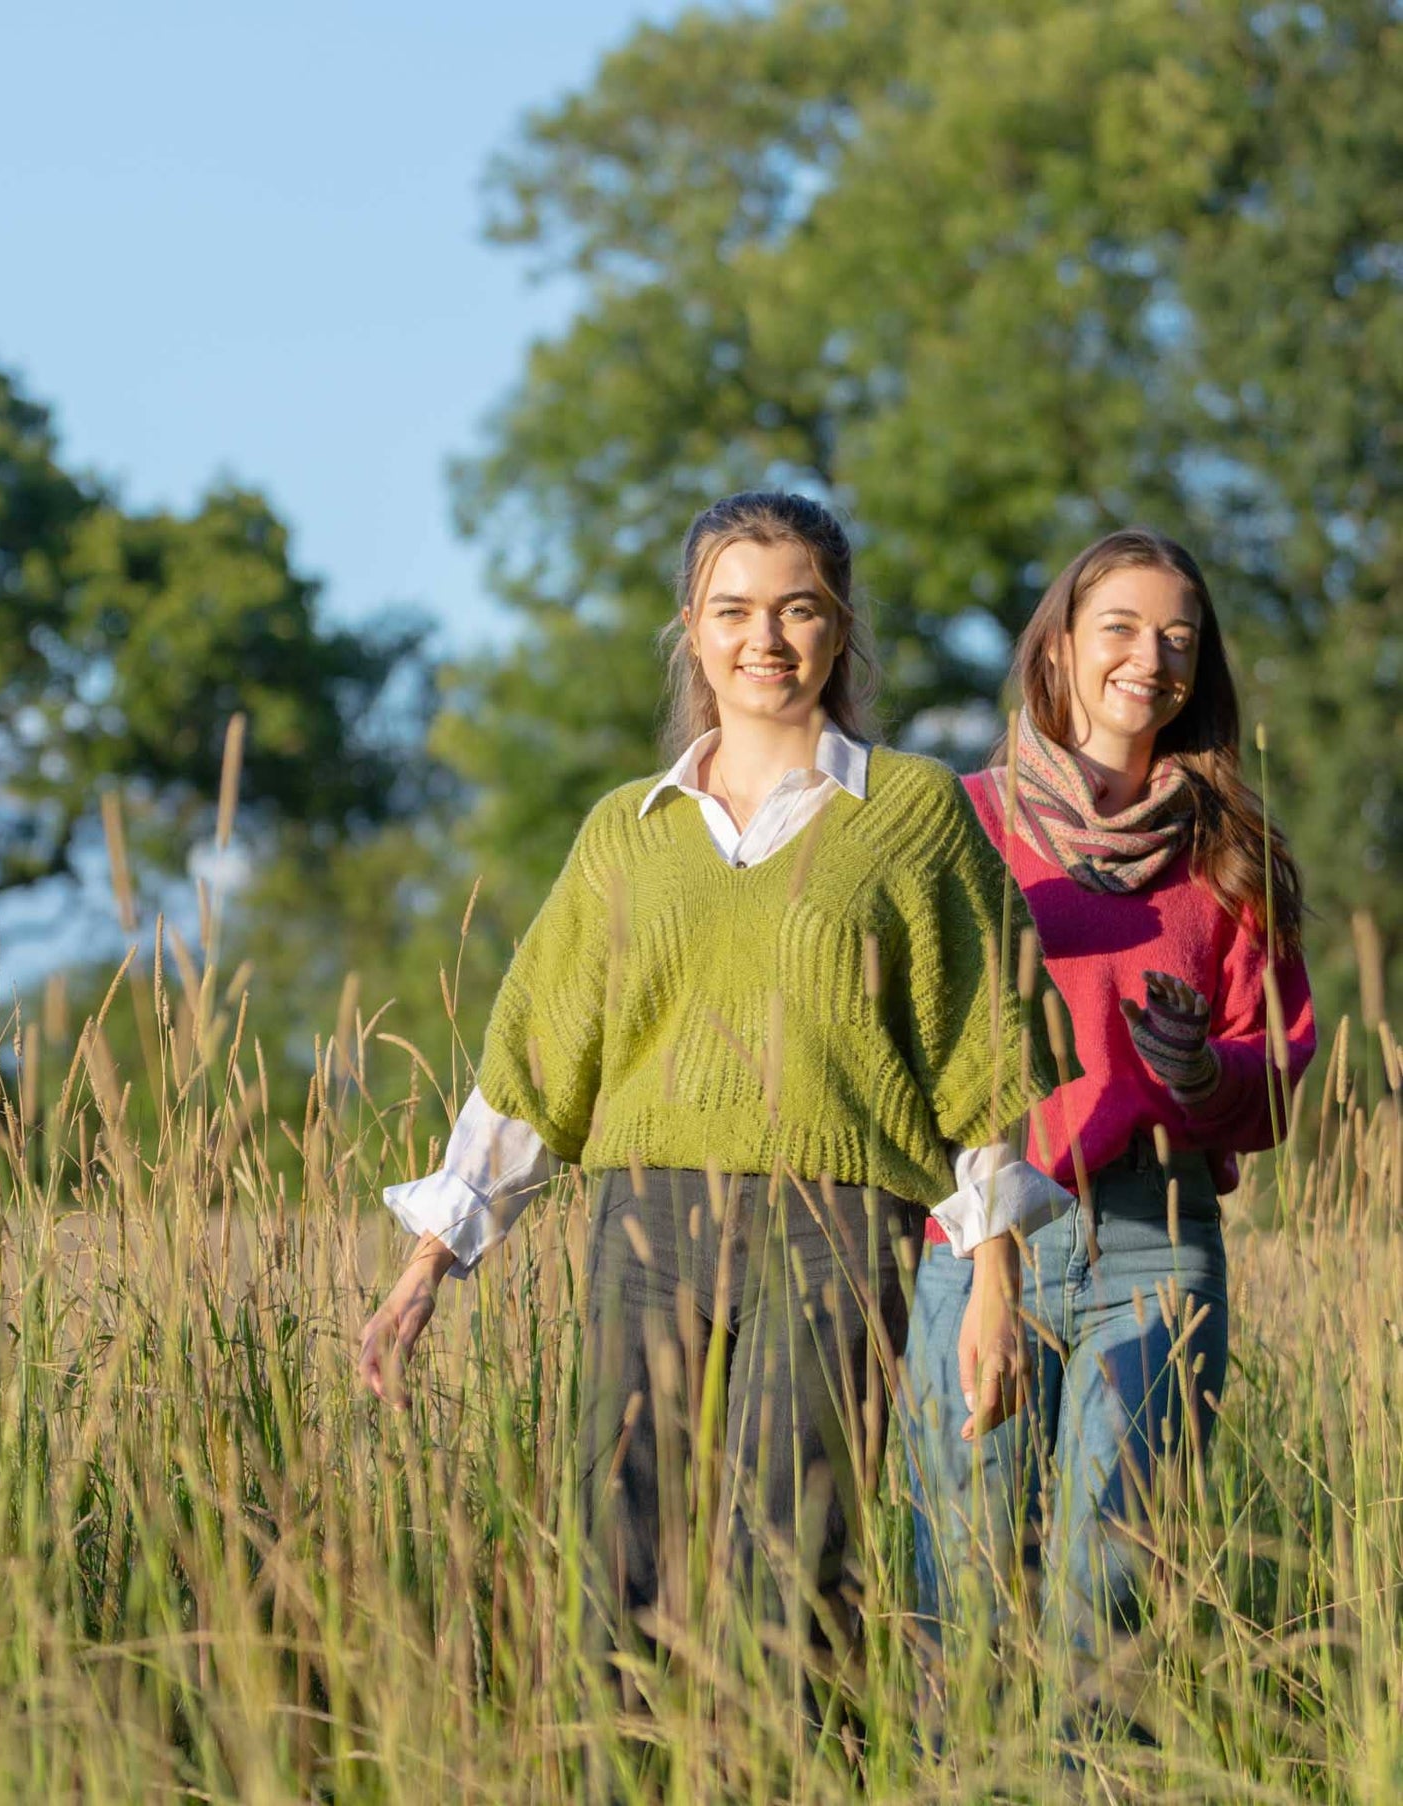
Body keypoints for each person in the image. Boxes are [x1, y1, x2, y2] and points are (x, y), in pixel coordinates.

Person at [358, 491, 1066, 1710]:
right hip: (644, 1225)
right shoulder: (624, 834)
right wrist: (429, 1261)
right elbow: (536, 1067)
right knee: (619, 1562)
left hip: (836, 1227)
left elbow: (981, 1056)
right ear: (691, 630)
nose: (765, 638)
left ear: (839, 629)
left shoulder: (906, 814)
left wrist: (994, 1283)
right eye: (732, 609)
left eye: (798, 608)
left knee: (792, 1574)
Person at [901, 527, 1315, 1676]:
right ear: (1059, 650)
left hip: (1156, 1243)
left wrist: (1196, 1073)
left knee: (1110, 1596)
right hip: (975, 1242)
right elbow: (914, 1042)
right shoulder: (961, 823)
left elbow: (1274, 1070)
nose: (1151, 657)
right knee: (967, 1590)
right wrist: (982, 1251)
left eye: (1177, 638)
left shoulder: (1229, 848)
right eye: (1120, 629)